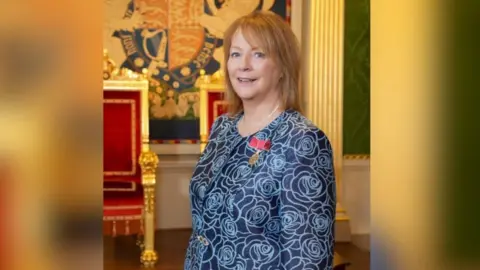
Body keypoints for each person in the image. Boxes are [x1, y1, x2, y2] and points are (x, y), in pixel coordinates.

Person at [184, 10, 336, 270]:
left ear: (282, 67)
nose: (243, 64)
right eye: (235, 53)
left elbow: (307, 258)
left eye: (258, 54)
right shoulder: (223, 127)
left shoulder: (303, 141)